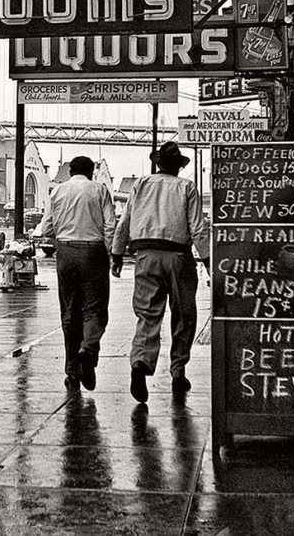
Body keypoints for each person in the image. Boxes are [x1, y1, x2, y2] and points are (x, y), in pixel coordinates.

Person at [111, 141, 209, 404]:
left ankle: (140, 363)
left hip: (145, 255)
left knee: (148, 313)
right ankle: (178, 371)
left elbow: (125, 221)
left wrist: (117, 253)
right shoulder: (186, 187)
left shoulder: (140, 184)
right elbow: (198, 227)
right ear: (178, 167)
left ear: (158, 164)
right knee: (184, 313)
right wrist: (209, 259)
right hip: (178, 256)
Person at [40, 155, 116, 392]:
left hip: (65, 252)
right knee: (95, 308)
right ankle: (89, 348)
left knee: (69, 312)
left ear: (70, 171)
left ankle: (72, 372)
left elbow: (46, 228)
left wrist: (63, 240)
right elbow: (110, 226)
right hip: (93, 251)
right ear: (92, 172)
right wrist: (110, 254)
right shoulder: (100, 190)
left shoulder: (57, 191)